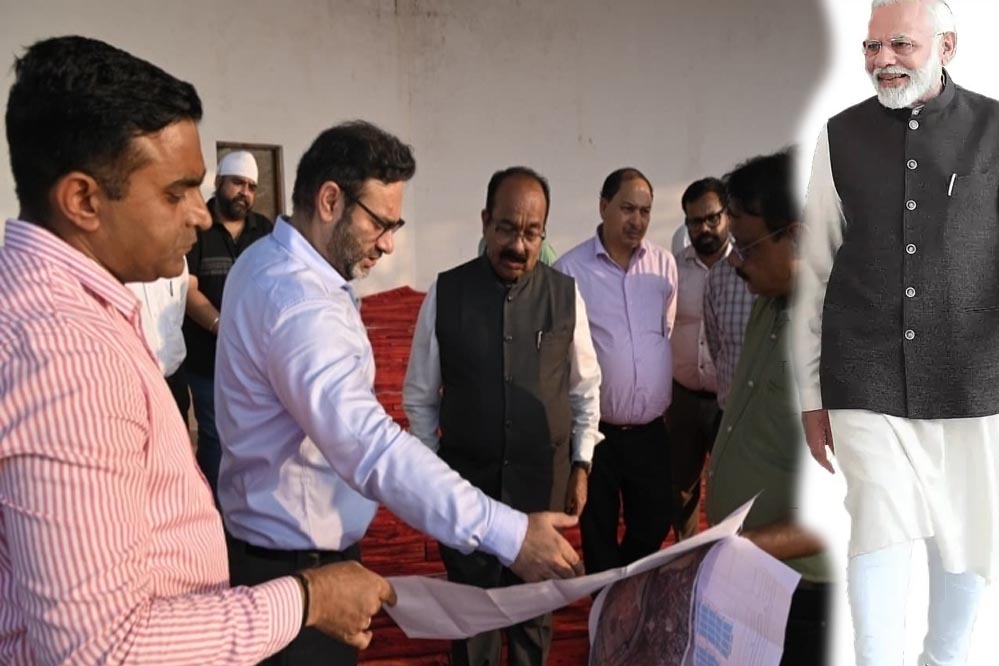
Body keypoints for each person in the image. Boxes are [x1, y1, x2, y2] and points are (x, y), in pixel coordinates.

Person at [0, 35, 396, 665]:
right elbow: (101, 650)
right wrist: (306, 598)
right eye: (175, 192)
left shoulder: (62, 308)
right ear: (83, 200)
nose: (201, 215)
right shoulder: (66, 356)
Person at [215, 122, 585, 666]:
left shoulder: (267, 259)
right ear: (330, 201)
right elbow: (372, 449)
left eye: (396, 225)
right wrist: (508, 534)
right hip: (297, 567)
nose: (388, 243)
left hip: (278, 549)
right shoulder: (300, 304)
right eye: (380, 223)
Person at [793, 1, 997, 663]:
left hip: (973, 382)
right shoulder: (840, 135)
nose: (882, 60)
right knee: (877, 525)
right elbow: (815, 269)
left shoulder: (994, 129)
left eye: (899, 45)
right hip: (864, 372)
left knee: (966, 541)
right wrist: (810, 394)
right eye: (871, 46)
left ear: (947, 46)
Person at [403, 166, 603, 666]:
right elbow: (420, 397)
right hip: (466, 492)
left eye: (531, 233)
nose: (518, 245)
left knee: (535, 618)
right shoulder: (446, 293)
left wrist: (581, 464)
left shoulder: (565, 295)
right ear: (485, 221)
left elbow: (585, 388)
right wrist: (432, 476)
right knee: (473, 620)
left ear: (544, 233)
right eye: (507, 229)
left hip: (541, 493)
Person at [705, 149, 831, 666]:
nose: (735, 261)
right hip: (757, 579)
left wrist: (740, 547)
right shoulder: (771, 301)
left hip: (809, 598)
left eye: (747, 246)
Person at [555, 167, 678, 574]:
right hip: (597, 434)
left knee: (657, 516)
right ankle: (606, 601)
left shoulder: (663, 266)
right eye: (627, 209)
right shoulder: (570, 271)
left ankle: (628, 581)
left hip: (650, 431)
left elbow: (665, 328)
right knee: (597, 530)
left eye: (645, 211)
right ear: (603, 206)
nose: (637, 220)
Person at [184, 150, 273, 497]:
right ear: (220, 182)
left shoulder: (264, 230)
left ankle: (247, 508)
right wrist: (223, 327)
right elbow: (188, 289)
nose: (244, 193)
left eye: (251, 187)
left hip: (255, 362)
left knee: (256, 437)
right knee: (215, 437)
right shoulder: (198, 226)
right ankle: (215, 514)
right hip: (208, 359)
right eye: (237, 183)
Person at [665, 177, 730, 539]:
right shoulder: (673, 270)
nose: (703, 228)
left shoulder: (746, 267)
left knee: (730, 483)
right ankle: (686, 553)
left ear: (727, 215)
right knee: (681, 486)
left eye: (711, 218)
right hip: (684, 399)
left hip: (730, 401)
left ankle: (727, 554)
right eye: (694, 221)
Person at [125, 258, 191, 417]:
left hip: (174, 378)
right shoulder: (117, 263)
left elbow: (179, 309)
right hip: (134, 383)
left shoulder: (176, 258)